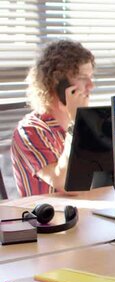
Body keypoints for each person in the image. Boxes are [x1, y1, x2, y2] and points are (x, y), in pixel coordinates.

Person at [11, 39, 94, 197]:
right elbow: (68, 184)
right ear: (58, 83)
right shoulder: (30, 131)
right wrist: (76, 123)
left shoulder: (90, 124)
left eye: (91, 77)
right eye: (83, 78)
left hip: (92, 214)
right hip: (54, 220)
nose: (91, 85)